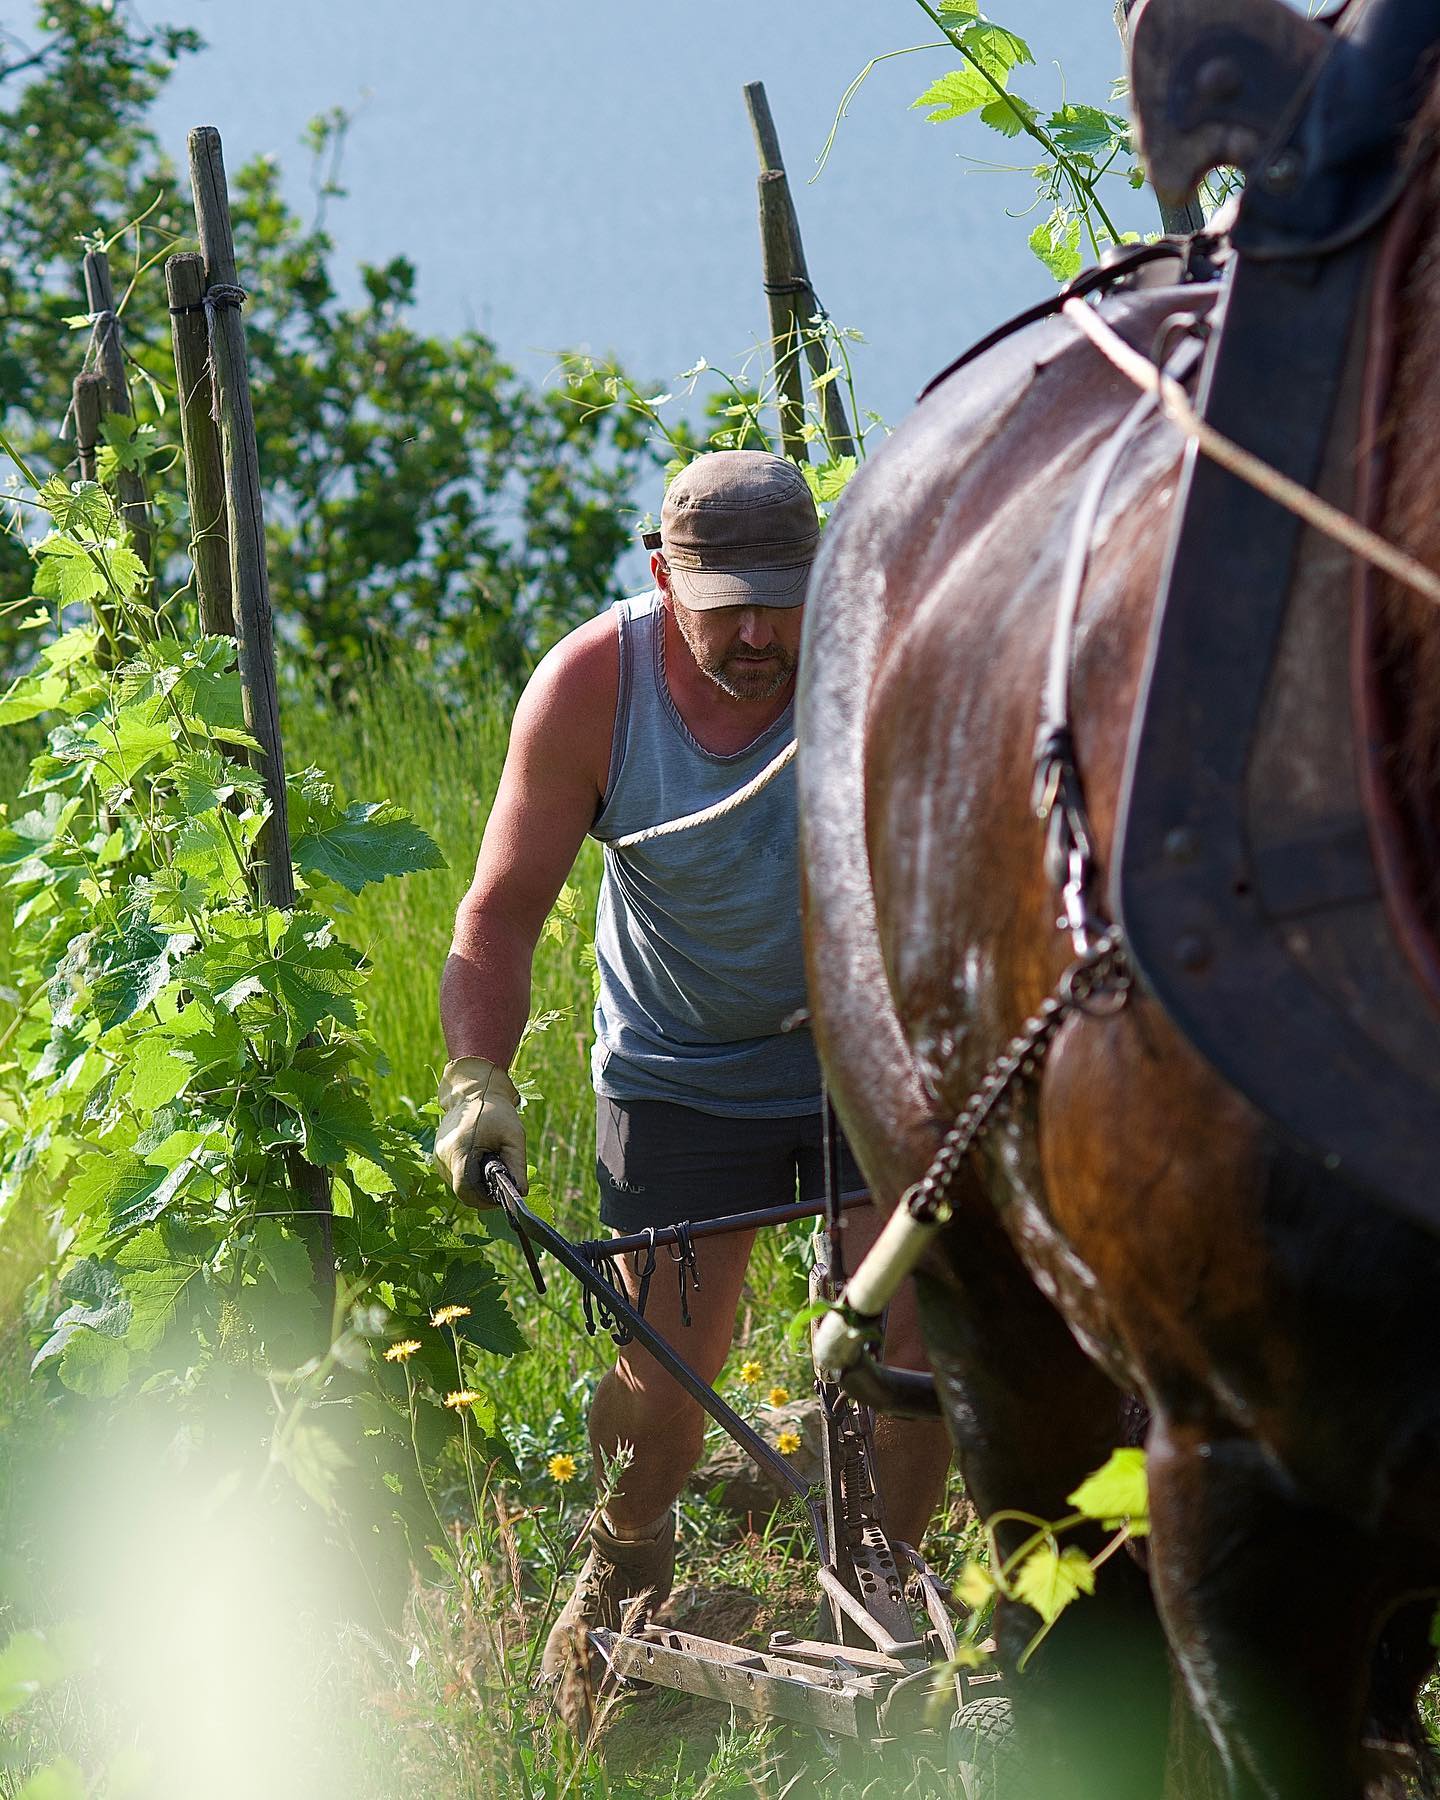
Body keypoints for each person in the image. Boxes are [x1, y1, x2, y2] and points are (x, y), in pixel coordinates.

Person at [435, 449, 951, 1732]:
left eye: (786, 598)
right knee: (671, 1363)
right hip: (676, 1070)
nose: (762, 633)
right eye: (728, 605)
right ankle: (626, 1569)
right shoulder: (594, 690)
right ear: (664, 578)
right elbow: (499, 913)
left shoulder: (877, 666)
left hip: (855, 1056)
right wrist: (473, 1078)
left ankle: (884, 1583)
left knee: (914, 1338)